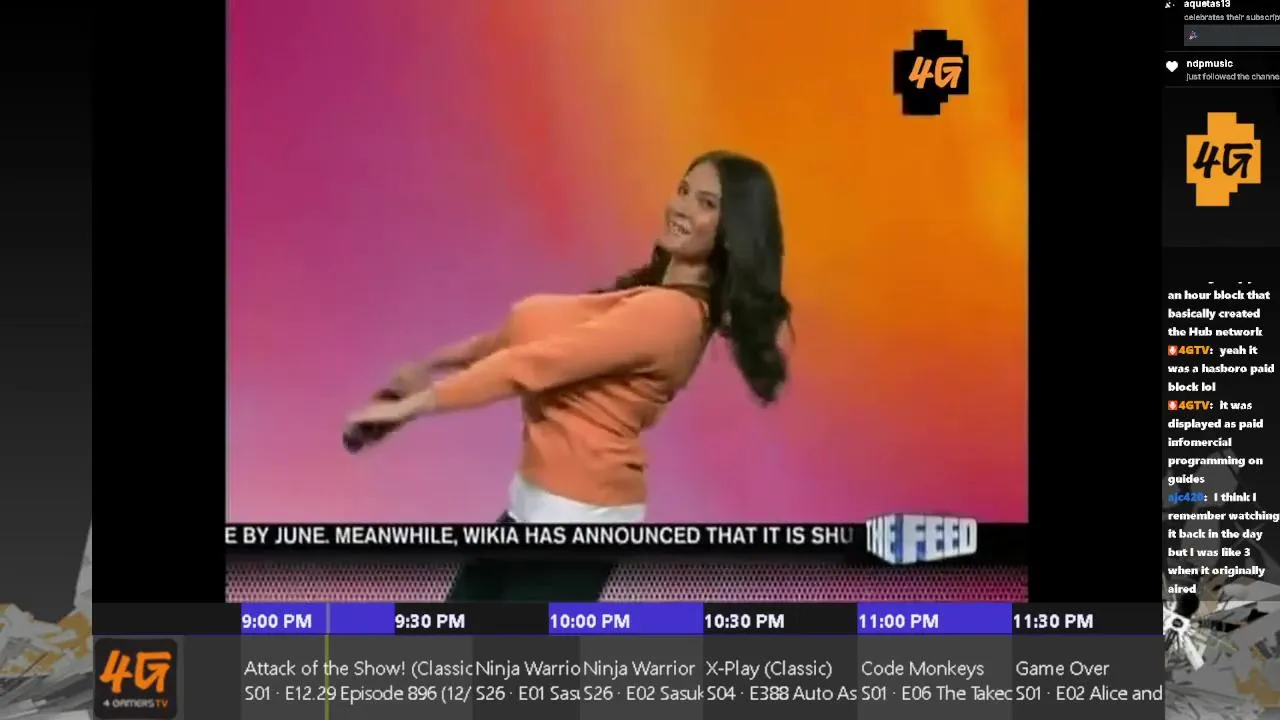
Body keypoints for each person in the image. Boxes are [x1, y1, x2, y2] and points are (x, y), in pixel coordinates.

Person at [344, 150, 793, 600]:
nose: (681, 207)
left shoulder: (671, 315)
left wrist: (414, 407)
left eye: (706, 203)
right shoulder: (646, 298)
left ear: (731, 232)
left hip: (579, 518)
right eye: (683, 190)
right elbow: (518, 339)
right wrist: (428, 367)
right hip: (535, 506)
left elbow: (533, 365)